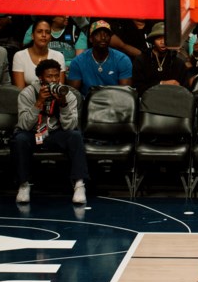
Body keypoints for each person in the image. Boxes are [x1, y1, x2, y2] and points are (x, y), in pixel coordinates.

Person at [12, 59, 88, 205]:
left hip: (56, 133)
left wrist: (63, 104)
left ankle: (79, 184)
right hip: (34, 133)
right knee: (19, 138)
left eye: (56, 76)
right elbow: (24, 125)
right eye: (49, 76)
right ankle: (23, 184)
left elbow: (71, 126)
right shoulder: (27, 93)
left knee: (75, 136)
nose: (54, 80)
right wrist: (38, 103)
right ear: (40, 78)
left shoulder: (68, 94)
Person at [65, 20, 133, 97]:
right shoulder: (78, 62)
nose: (103, 37)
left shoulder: (122, 60)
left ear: (110, 38)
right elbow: (74, 94)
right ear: (91, 38)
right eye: (98, 34)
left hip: (115, 103)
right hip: (87, 104)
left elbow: (125, 94)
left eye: (106, 34)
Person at [131, 23, 189, 94]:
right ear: (153, 40)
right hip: (149, 102)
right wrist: (162, 83)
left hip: (173, 101)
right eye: (159, 38)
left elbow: (185, 90)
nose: (163, 42)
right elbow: (137, 88)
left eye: (166, 38)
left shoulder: (178, 62)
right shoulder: (141, 60)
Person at [12, 17, 66, 88]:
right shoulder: (19, 56)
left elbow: (59, 88)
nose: (44, 35)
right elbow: (20, 91)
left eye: (47, 32)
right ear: (32, 36)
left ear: (50, 37)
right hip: (27, 98)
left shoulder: (58, 56)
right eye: (39, 31)